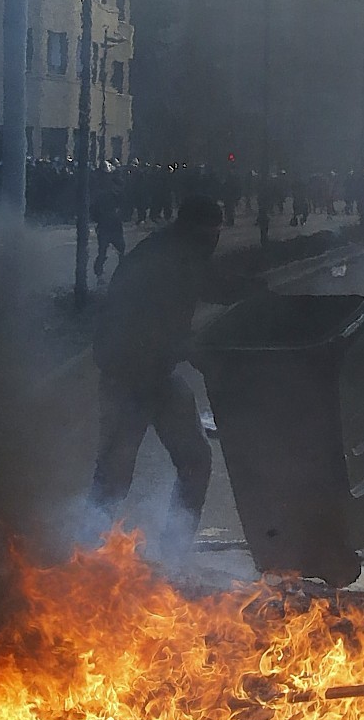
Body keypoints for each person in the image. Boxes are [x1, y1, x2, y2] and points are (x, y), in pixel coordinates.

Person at [90, 194, 257, 550]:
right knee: (114, 477)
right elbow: (147, 329)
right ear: (197, 231)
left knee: (195, 460)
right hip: (127, 378)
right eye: (212, 234)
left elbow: (215, 286)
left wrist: (255, 291)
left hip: (158, 378)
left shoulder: (181, 253)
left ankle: (173, 550)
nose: (214, 242)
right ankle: (86, 553)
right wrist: (193, 350)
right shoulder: (166, 261)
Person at [91, 167, 126, 283]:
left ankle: (121, 273)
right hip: (105, 227)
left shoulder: (120, 197)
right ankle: (99, 275)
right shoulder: (104, 196)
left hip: (115, 227)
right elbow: (95, 210)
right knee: (102, 252)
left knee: (121, 250)